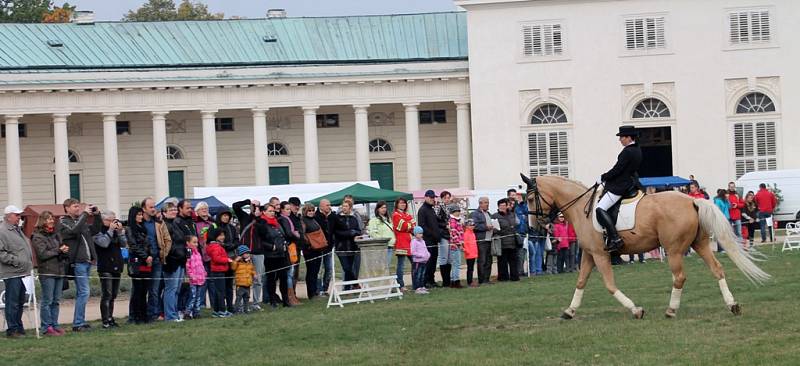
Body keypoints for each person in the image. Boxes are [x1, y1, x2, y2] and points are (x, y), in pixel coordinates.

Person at [595, 125, 643, 252]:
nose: (620, 140)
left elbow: (618, 169)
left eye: (621, 137)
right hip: (632, 183)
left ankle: (615, 238)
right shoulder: (637, 149)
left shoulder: (627, 152)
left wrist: (603, 177)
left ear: (628, 137)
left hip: (621, 186)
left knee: (600, 208)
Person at [58, 198, 100, 332]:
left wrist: (97, 215)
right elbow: (73, 231)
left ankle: (80, 321)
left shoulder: (80, 221)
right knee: (84, 292)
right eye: (75, 206)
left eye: (78, 206)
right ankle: (77, 323)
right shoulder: (63, 222)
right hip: (77, 262)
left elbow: (95, 230)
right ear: (67, 208)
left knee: (83, 293)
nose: (78, 209)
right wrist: (85, 215)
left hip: (86, 261)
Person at [31, 210, 68, 336]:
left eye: (52, 218)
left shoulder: (55, 234)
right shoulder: (37, 236)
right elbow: (42, 254)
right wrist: (58, 250)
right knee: (47, 300)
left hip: (59, 270)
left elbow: (59, 248)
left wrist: (64, 250)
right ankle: (46, 327)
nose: (51, 220)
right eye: (48, 219)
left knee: (56, 300)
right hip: (47, 272)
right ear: (42, 221)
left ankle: (54, 324)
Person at [1, 205, 34, 338]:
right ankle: (12, 329)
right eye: (17, 215)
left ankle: (18, 326)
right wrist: (17, 261)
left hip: (22, 272)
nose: (19, 218)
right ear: (9, 216)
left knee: (20, 301)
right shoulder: (2, 230)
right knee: (12, 302)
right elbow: (1, 253)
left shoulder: (17, 230)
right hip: (12, 272)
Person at [93, 209, 127, 328]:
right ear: (103, 220)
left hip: (117, 265)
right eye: (110, 220)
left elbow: (123, 244)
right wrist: (111, 230)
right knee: (107, 295)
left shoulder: (116, 231)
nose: (113, 222)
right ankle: (105, 321)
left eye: (114, 220)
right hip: (105, 266)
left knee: (113, 295)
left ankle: (110, 318)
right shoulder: (98, 231)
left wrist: (121, 232)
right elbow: (104, 243)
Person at [141, 197, 172, 322]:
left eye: (154, 207)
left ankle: (153, 314)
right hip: (143, 260)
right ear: (144, 209)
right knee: (140, 289)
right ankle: (139, 314)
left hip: (157, 260)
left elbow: (167, 239)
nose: (154, 209)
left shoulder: (159, 223)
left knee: (154, 290)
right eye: (151, 207)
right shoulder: (139, 222)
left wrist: (163, 253)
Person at [163, 201, 192, 322]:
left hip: (180, 259)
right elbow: (169, 244)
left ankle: (174, 313)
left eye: (175, 209)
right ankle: (170, 315)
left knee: (177, 289)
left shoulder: (175, 223)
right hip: (171, 261)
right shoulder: (165, 226)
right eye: (171, 210)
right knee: (171, 289)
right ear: (164, 213)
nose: (174, 211)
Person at [233, 199, 265, 306]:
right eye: (253, 206)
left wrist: (257, 216)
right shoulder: (244, 217)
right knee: (242, 278)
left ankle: (255, 303)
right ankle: (241, 303)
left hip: (258, 252)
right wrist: (247, 201)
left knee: (258, 279)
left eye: (257, 206)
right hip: (244, 252)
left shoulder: (262, 220)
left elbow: (263, 232)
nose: (255, 208)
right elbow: (235, 206)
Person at [258, 204, 291, 308]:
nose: (272, 213)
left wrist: (285, 244)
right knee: (271, 279)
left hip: (281, 254)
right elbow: (260, 240)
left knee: (283, 277)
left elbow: (282, 235)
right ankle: (272, 300)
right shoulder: (262, 224)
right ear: (264, 212)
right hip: (270, 256)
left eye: (273, 211)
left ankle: (286, 300)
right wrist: (272, 247)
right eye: (270, 211)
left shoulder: (277, 222)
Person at [125, 206, 152, 324]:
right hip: (137, 262)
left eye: (141, 214)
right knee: (138, 290)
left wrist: (150, 255)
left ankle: (144, 315)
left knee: (144, 290)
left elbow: (147, 244)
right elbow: (133, 245)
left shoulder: (143, 228)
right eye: (138, 215)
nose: (141, 217)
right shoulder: (130, 229)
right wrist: (145, 256)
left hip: (146, 261)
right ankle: (136, 316)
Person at [214, 210, 240, 311]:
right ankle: (220, 307)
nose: (226, 217)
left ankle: (230, 306)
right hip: (220, 257)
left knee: (229, 284)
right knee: (221, 286)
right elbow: (212, 240)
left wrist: (230, 245)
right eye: (224, 215)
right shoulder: (215, 227)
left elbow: (237, 240)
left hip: (231, 256)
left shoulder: (232, 228)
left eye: (227, 216)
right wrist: (224, 246)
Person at [417, 190, 444, 288]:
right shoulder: (422, 210)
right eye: (431, 197)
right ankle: (426, 281)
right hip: (428, 241)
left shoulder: (431, 209)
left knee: (433, 261)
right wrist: (432, 234)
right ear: (426, 197)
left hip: (435, 240)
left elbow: (437, 222)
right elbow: (422, 226)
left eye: (434, 197)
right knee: (428, 262)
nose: (433, 199)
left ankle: (432, 280)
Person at [333, 200, 362, 290]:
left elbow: (358, 230)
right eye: (343, 206)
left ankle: (347, 288)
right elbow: (337, 232)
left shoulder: (353, 218)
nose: (344, 208)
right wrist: (350, 233)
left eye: (346, 206)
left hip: (352, 247)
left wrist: (355, 233)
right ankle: (355, 283)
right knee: (346, 268)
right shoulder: (337, 218)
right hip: (341, 247)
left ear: (350, 208)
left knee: (349, 268)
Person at [278, 201, 302, 306]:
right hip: (288, 247)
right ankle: (290, 297)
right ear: (282, 210)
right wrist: (296, 235)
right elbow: (288, 233)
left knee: (291, 273)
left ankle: (291, 296)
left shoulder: (287, 219)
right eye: (286, 209)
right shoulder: (284, 219)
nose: (288, 211)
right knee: (289, 273)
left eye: (289, 209)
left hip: (290, 246)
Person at [300, 203, 325, 299]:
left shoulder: (314, 220)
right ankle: (311, 293)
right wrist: (310, 244)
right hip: (309, 250)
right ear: (305, 211)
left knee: (316, 271)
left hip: (318, 249)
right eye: (309, 211)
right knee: (311, 271)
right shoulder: (303, 221)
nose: (311, 212)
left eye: (312, 210)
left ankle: (315, 291)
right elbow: (303, 234)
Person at [206, 227, 232, 317]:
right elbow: (216, 258)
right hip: (218, 270)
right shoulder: (216, 246)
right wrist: (227, 260)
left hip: (218, 270)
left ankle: (216, 311)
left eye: (223, 235)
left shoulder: (215, 245)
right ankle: (222, 310)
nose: (223, 237)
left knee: (218, 291)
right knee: (221, 292)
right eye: (220, 235)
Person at [492, 198, 519, 281]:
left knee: (513, 261)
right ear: (498, 206)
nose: (503, 207)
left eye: (504, 205)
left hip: (512, 241)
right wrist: (504, 230)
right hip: (502, 242)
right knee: (502, 261)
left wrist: (512, 229)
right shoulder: (495, 216)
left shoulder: (512, 214)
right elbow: (494, 229)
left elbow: (515, 225)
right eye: (501, 205)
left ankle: (514, 277)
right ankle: (503, 277)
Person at [391, 198, 415, 290]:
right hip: (401, 242)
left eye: (404, 203)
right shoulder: (395, 215)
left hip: (410, 242)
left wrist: (409, 225)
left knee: (414, 263)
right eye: (401, 203)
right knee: (401, 265)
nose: (403, 204)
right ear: (397, 204)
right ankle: (400, 285)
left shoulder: (407, 214)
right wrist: (409, 225)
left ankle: (415, 283)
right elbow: (402, 226)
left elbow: (414, 225)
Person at [470, 197, 494, 284]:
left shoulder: (488, 213)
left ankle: (487, 279)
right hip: (481, 240)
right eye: (486, 202)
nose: (487, 204)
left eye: (488, 202)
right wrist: (486, 227)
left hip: (489, 239)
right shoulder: (475, 214)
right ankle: (482, 280)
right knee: (482, 260)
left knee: (489, 261)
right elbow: (474, 226)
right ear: (480, 203)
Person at [367, 201, 396, 273]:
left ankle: (384, 280)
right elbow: (373, 233)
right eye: (382, 207)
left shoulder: (389, 220)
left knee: (386, 266)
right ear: (378, 209)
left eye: (385, 207)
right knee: (381, 266)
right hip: (381, 247)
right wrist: (383, 240)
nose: (384, 209)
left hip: (390, 246)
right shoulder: (374, 220)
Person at [314, 199, 335, 296]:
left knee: (329, 269)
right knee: (319, 270)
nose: (329, 207)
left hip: (329, 247)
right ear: (321, 206)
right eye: (327, 205)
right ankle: (318, 290)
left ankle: (325, 288)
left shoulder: (331, 216)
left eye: (329, 205)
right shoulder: (316, 216)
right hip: (319, 248)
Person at [184, 235, 205, 319]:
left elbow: (201, 265)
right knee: (192, 296)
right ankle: (187, 312)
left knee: (198, 297)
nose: (196, 244)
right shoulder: (188, 253)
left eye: (197, 242)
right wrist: (191, 275)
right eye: (194, 242)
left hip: (200, 278)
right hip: (192, 280)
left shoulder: (198, 253)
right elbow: (187, 266)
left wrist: (204, 273)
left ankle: (196, 312)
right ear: (188, 243)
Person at [231, 245, 257, 313]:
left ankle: (246, 309)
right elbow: (233, 267)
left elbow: (252, 269)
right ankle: (237, 309)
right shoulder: (238, 263)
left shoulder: (249, 263)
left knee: (247, 298)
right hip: (240, 284)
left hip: (248, 284)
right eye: (246, 253)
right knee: (239, 298)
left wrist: (254, 274)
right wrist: (236, 260)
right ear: (241, 254)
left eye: (248, 253)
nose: (248, 255)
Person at [509, 188, 528, 277]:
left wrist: (522, 203)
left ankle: (520, 270)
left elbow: (526, 212)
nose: (514, 197)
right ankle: (516, 271)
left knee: (522, 254)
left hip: (522, 232)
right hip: (514, 233)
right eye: (512, 195)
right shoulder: (509, 208)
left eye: (515, 195)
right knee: (515, 255)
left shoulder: (519, 206)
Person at [447, 204, 465, 288]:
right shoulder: (453, 221)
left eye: (458, 211)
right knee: (456, 264)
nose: (458, 213)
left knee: (455, 264)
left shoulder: (457, 220)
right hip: (455, 245)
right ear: (452, 212)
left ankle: (453, 281)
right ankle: (456, 281)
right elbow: (453, 234)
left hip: (456, 245)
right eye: (456, 211)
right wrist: (459, 244)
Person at [410, 226, 430, 294]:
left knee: (422, 274)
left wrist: (428, 254)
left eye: (421, 233)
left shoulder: (423, 241)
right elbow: (413, 252)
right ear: (415, 234)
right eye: (419, 233)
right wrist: (421, 255)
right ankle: (417, 287)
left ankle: (422, 286)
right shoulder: (414, 242)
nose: (421, 235)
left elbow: (425, 249)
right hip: (417, 262)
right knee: (417, 274)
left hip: (424, 261)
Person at [462, 219, 479, 287]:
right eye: (470, 225)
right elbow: (465, 244)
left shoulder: (473, 233)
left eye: (473, 225)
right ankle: (469, 282)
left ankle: (471, 281)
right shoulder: (466, 234)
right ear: (466, 226)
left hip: (473, 253)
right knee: (470, 268)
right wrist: (468, 252)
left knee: (471, 268)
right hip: (469, 254)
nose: (472, 226)